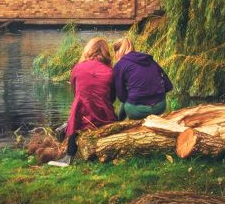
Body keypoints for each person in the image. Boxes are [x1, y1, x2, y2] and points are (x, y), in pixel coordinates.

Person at [49, 38, 116, 167]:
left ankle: (69, 156)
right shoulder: (110, 71)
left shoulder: (78, 68)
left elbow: (75, 92)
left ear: (89, 50)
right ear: (105, 52)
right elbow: (112, 97)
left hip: (81, 119)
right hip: (105, 118)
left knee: (77, 107)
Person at [112, 38, 173, 120]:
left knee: (127, 101)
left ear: (117, 52)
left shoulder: (120, 65)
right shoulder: (149, 60)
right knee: (130, 98)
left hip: (138, 111)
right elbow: (168, 85)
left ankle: (119, 122)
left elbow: (121, 96)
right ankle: (120, 121)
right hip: (160, 106)